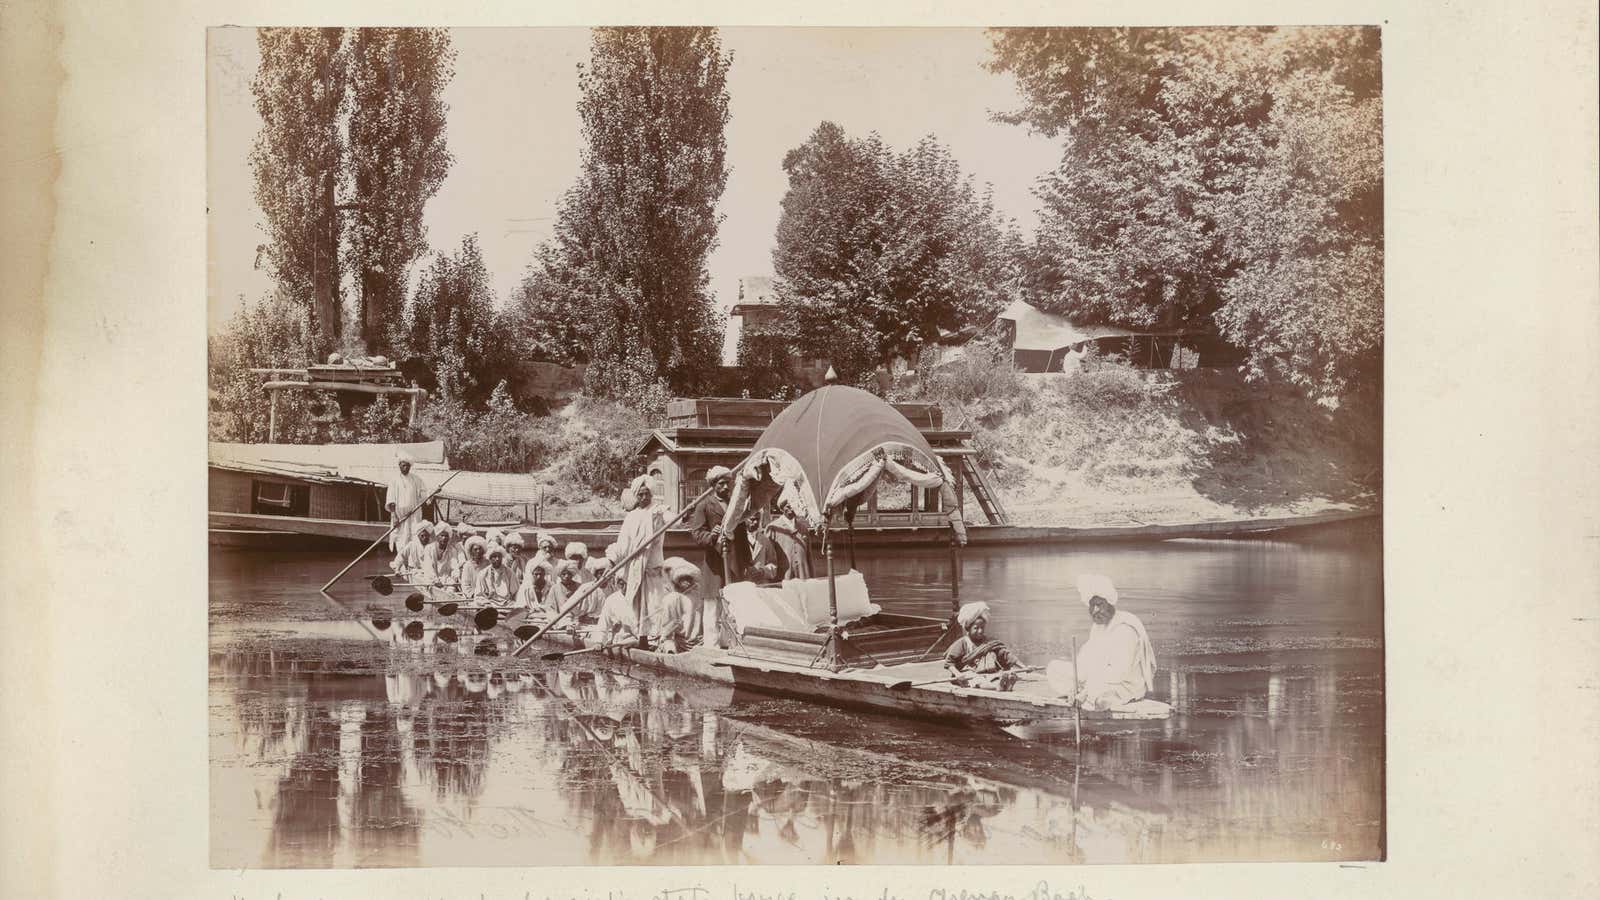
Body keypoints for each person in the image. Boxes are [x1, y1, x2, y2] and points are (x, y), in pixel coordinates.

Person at [1069, 575, 1157, 710]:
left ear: (1110, 604)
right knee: (1054, 669)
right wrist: (1076, 682)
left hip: (1125, 684)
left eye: (1100, 605)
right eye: (1092, 605)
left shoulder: (1125, 629)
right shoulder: (1098, 625)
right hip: (1099, 679)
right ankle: (1085, 694)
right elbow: (1087, 656)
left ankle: (1093, 697)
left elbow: (1119, 673)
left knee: (1099, 699)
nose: (1095, 611)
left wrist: (1087, 690)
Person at [615, 474, 669, 631]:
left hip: (653, 565)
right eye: (641, 494)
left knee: (655, 602)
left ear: (652, 494)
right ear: (636, 495)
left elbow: (673, 519)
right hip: (635, 566)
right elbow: (622, 545)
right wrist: (615, 563)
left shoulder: (658, 511)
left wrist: (683, 517)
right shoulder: (631, 517)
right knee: (635, 603)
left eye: (647, 494)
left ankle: (656, 635)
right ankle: (638, 635)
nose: (644, 497)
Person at [943, 601, 1027, 691]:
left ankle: (1005, 685)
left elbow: (1006, 655)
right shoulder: (962, 643)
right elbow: (949, 663)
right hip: (968, 674)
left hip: (989, 673)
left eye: (982, 628)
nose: (980, 631)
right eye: (976, 628)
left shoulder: (990, 642)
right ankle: (997, 687)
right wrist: (957, 674)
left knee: (998, 676)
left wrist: (1024, 667)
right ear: (968, 628)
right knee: (977, 680)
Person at [385, 451, 428, 564]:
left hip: (414, 515)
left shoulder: (416, 479)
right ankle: (401, 563)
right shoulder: (394, 480)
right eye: (403, 465)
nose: (405, 467)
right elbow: (391, 499)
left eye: (408, 465)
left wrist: (429, 496)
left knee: (415, 537)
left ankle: (414, 563)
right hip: (400, 516)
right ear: (399, 465)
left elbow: (424, 495)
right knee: (401, 538)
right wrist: (394, 516)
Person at [648, 558, 699, 654]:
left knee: (667, 643)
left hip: (683, 646)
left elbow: (668, 631)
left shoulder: (673, 598)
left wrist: (661, 637)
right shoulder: (695, 595)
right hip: (694, 644)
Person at [765, 501, 812, 580]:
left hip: (803, 577)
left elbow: (809, 556)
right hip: (783, 578)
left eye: (793, 506)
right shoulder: (773, 528)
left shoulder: (803, 528)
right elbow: (768, 558)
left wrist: (811, 576)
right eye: (788, 507)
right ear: (782, 508)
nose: (791, 509)